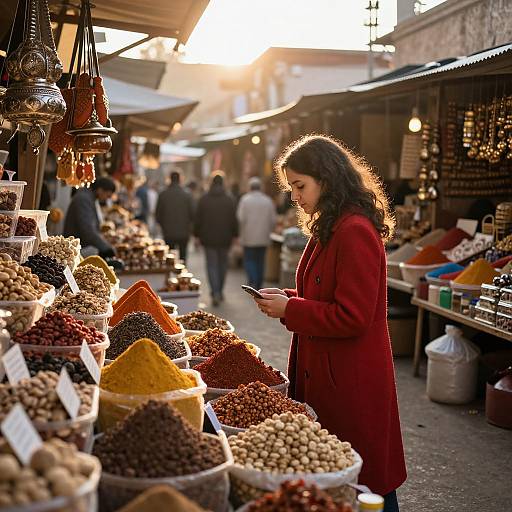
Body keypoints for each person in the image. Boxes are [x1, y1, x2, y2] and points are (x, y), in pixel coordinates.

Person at [252, 135, 406, 511]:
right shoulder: (331, 224)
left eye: (300, 186)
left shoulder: (354, 231)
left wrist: (291, 310)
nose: (296, 197)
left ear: (327, 178)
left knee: (366, 484)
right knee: (338, 483)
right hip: (326, 372)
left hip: (349, 381)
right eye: (292, 188)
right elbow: (324, 294)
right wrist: (289, 298)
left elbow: (352, 316)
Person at [194, 171, 238, 306]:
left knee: (212, 265)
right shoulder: (229, 199)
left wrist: (196, 235)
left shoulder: (204, 199)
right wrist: (235, 235)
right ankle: (219, 290)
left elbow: (198, 219)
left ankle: (215, 292)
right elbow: (233, 220)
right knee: (223, 265)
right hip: (225, 238)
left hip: (208, 238)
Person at [237, 176, 277, 290]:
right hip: (264, 236)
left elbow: (241, 218)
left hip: (248, 236)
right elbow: (273, 220)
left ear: (250, 187)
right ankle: (258, 282)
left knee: (249, 259)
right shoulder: (268, 200)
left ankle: (252, 280)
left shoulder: (245, 200)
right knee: (261, 260)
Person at [63, 177, 116, 258]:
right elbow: (88, 230)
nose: (107, 199)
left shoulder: (89, 197)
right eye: (107, 196)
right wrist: (106, 248)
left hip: (80, 246)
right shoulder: (83, 199)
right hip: (76, 249)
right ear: (100, 190)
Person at [155, 171, 195, 263]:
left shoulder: (163, 194)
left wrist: (163, 225)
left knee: (170, 258)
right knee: (183, 257)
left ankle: (171, 275)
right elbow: (192, 214)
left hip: (168, 232)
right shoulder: (187, 195)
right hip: (184, 231)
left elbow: (158, 214)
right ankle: (183, 275)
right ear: (180, 179)